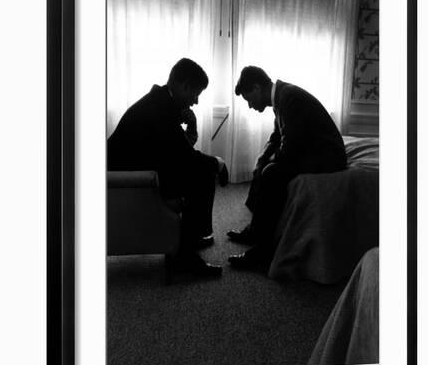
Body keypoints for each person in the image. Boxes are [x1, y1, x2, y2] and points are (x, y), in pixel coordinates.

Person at [108, 58, 228, 277]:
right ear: (185, 86)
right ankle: (185, 259)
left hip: (140, 168)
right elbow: (184, 157)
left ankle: (189, 240)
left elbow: (176, 150)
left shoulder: (161, 102)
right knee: (203, 175)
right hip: (129, 179)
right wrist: (217, 163)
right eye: (196, 94)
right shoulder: (160, 109)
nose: (196, 101)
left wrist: (191, 126)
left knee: (199, 170)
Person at [227, 66, 347, 270]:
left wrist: (270, 163)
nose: (250, 106)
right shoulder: (282, 97)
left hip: (327, 156)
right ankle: (256, 231)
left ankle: (263, 254)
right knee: (265, 165)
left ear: (257, 88)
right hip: (312, 149)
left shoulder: (290, 98)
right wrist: (263, 158)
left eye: (249, 99)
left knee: (272, 174)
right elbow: (277, 137)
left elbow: (291, 145)